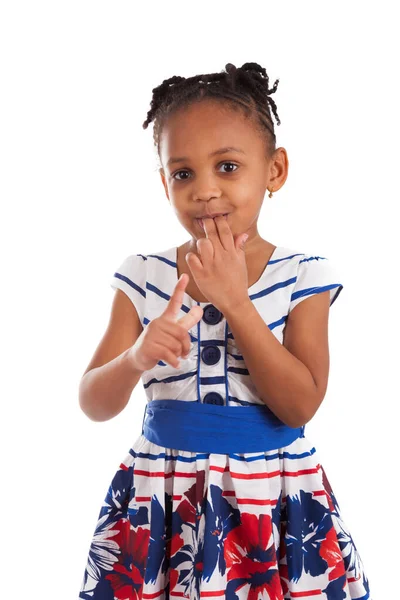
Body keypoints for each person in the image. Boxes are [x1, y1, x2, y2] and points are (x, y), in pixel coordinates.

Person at [78, 62, 372, 599]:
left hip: (271, 497)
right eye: (184, 173)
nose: (205, 191)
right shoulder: (143, 274)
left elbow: (299, 406)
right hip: (162, 497)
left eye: (229, 166)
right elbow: (93, 402)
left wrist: (237, 302)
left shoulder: (305, 275)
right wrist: (136, 357)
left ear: (274, 171)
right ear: (165, 182)